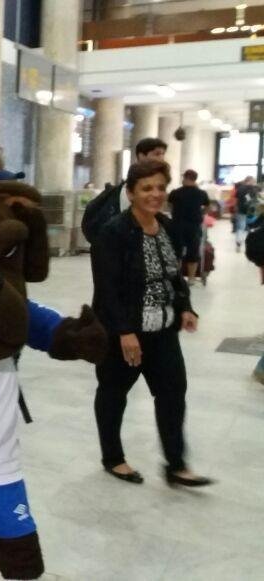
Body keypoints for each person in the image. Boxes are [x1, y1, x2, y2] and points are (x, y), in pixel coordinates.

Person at [91, 159, 213, 488]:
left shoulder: (167, 227)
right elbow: (107, 288)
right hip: (125, 333)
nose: (155, 194)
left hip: (163, 331)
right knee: (114, 392)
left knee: (173, 393)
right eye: (146, 188)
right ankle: (113, 458)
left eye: (160, 187)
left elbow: (174, 275)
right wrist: (124, 332)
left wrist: (185, 306)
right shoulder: (114, 232)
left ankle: (176, 464)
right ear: (130, 193)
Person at [81, 137, 167, 245]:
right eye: (157, 154)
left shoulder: (165, 226)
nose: (162, 158)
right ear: (141, 156)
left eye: (161, 188)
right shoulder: (115, 198)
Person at [167, 169, 211, 283]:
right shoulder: (201, 193)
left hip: (177, 224)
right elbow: (208, 207)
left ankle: (176, 276)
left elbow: (169, 205)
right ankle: (191, 278)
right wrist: (201, 213)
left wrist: (174, 212)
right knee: (193, 251)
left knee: (176, 251)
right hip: (194, 225)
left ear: (185, 178)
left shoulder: (175, 192)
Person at [234, 176, 260, 251]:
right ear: (250, 181)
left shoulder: (240, 188)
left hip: (240, 210)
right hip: (250, 211)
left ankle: (238, 244)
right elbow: (253, 200)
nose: (254, 182)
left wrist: (236, 207)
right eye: (253, 181)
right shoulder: (253, 189)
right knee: (251, 228)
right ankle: (251, 244)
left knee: (240, 227)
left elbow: (236, 199)